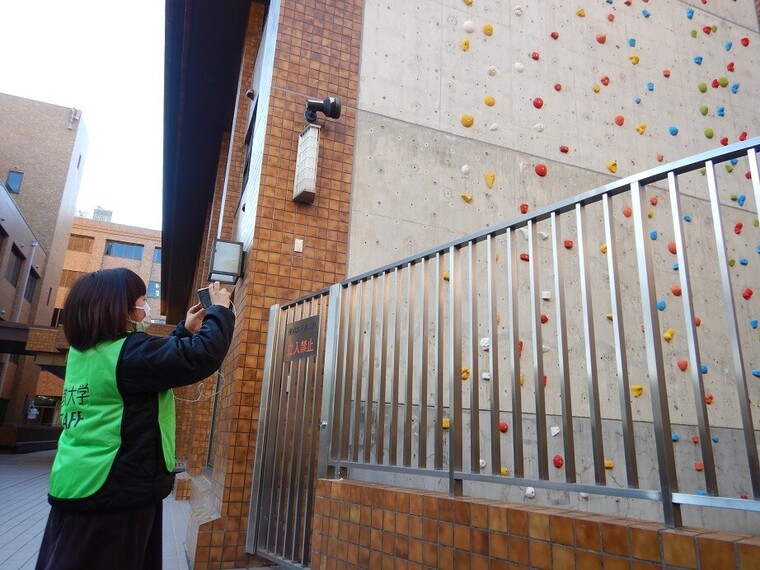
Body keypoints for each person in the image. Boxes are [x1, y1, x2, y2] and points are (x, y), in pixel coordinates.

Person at [36, 268, 234, 570]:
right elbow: (199, 356)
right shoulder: (129, 354)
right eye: (143, 301)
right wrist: (219, 309)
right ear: (118, 308)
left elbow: (151, 367)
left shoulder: (86, 352)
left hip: (82, 484)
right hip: (114, 494)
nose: (146, 309)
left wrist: (182, 331)